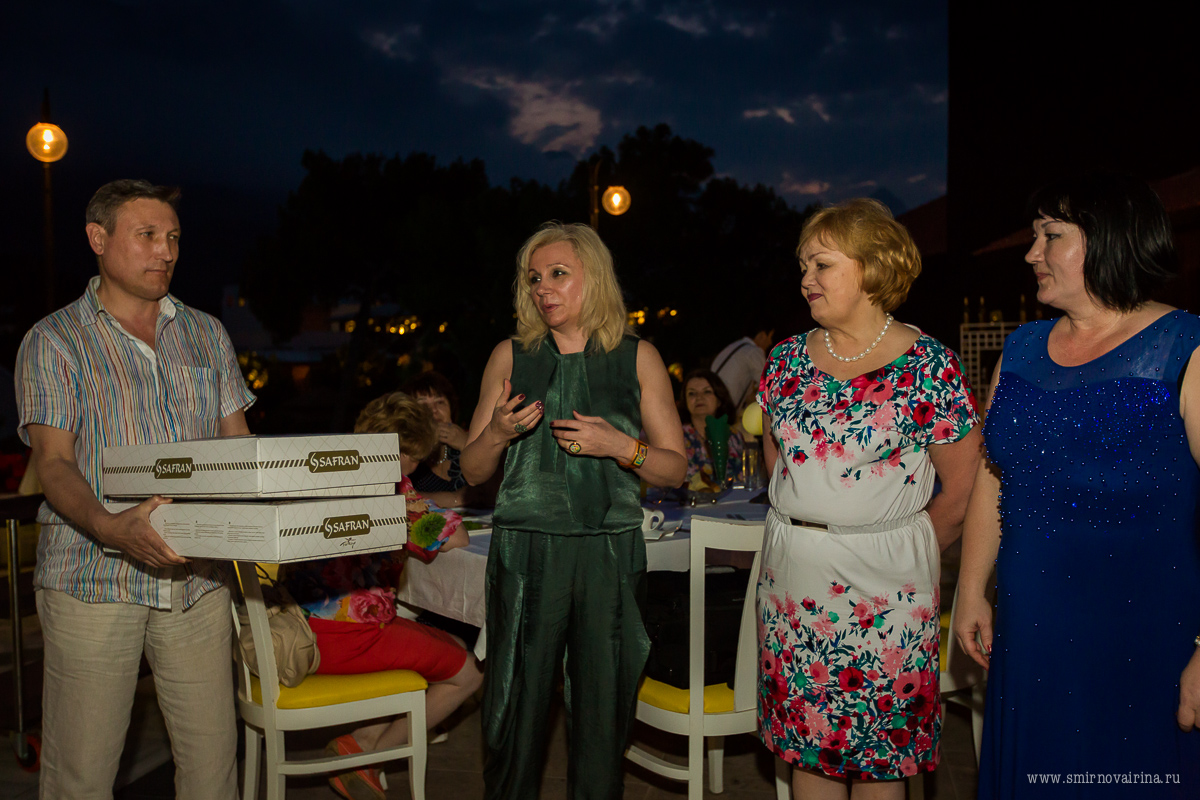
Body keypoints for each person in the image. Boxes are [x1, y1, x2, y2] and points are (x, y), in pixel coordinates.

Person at [953, 174, 1200, 799]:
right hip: (1032, 630)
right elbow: (993, 475)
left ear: (1109, 239)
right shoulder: (1021, 349)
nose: (1031, 253)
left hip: (1144, 638)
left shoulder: (1184, 348)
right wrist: (971, 587)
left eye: (1051, 235)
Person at [15, 179, 254, 798]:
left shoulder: (206, 333)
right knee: (82, 775)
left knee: (213, 767)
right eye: (147, 235)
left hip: (197, 579)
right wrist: (109, 526)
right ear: (98, 238)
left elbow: (239, 449)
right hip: (93, 578)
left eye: (173, 237)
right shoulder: (55, 340)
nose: (165, 251)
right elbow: (54, 463)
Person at [756, 198, 981, 799]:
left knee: (882, 756)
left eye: (822, 264)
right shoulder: (784, 360)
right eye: (803, 265)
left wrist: (899, 548)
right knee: (808, 750)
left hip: (887, 592)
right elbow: (778, 460)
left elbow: (963, 489)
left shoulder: (928, 365)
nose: (806, 278)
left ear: (873, 268)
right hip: (791, 585)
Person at [459, 221, 687, 799]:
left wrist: (621, 446)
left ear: (594, 276)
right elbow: (473, 471)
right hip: (524, 552)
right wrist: (497, 433)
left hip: (608, 553)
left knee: (602, 712)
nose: (543, 288)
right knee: (514, 707)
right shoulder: (511, 356)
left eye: (558, 273)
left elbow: (674, 469)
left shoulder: (638, 357)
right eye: (534, 278)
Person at [281, 392, 483, 800]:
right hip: (349, 639)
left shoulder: (325, 475)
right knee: (470, 672)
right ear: (406, 452)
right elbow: (456, 537)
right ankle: (367, 758)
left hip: (298, 626)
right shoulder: (394, 491)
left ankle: (362, 739)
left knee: (447, 642)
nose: (416, 464)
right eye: (416, 457)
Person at [401, 371, 469, 508]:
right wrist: (456, 499)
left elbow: (496, 491)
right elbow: (399, 497)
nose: (434, 410)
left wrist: (467, 446)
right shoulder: (403, 451)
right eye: (423, 404)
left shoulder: (469, 440)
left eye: (440, 402)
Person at [677, 368, 744, 489]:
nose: (699, 397)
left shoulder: (734, 436)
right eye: (692, 393)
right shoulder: (675, 437)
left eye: (707, 392)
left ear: (719, 400)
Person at [712, 326, 774, 408]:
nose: (770, 342)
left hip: (712, 404)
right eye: (770, 337)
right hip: (723, 409)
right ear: (762, 335)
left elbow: (749, 397)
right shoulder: (754, 351)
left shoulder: (735, 347)